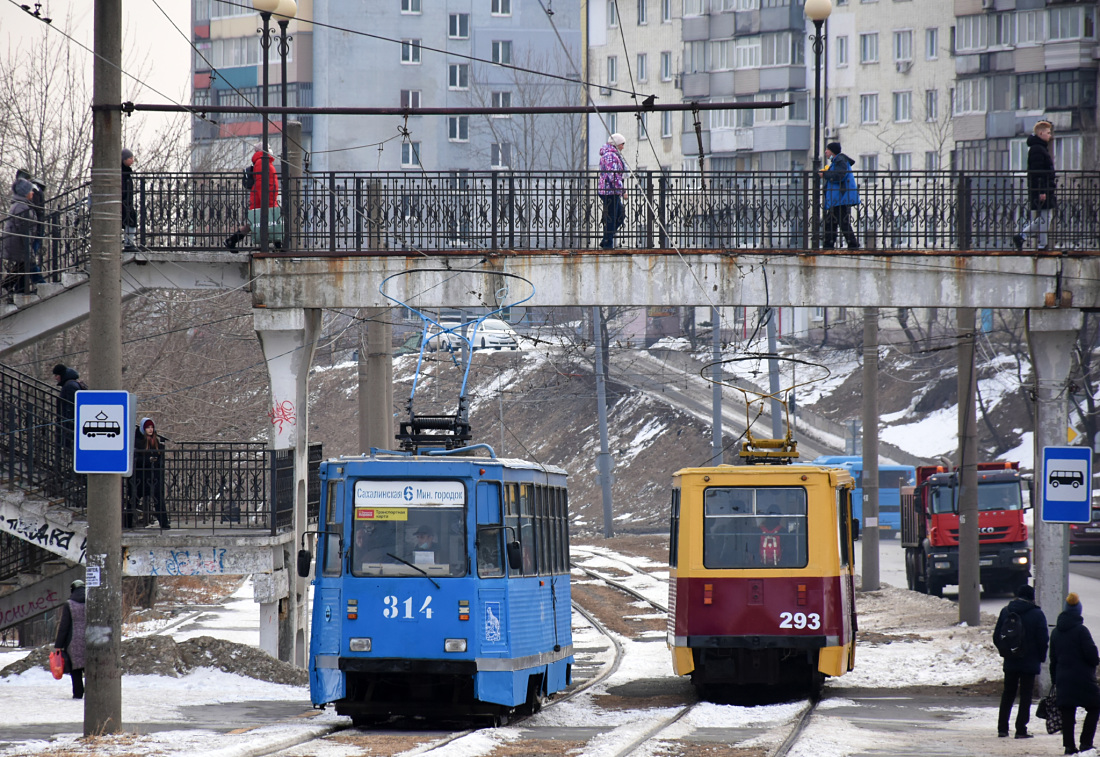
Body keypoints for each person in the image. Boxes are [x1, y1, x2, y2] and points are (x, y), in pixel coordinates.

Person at [993, 583, 1048, 739]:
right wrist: (1041, 657)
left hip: (1011, 660)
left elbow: (997, 636)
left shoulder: (1006, 611)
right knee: (1025, 695)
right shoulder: (1037, 614)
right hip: (1029, 661)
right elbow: (1043, 639)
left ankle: (1002, 728)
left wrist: (1006, 652)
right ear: (1031, 598)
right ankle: (1021, 729)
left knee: (1008, 693)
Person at [1050, 592, 1100, 755]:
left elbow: (1053, 659)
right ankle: (1086, 742)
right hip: (1082, 678)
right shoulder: (1081, 631)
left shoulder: (1056, 632)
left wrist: (1055, 680)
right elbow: (1092, 655)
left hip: (1063, 678)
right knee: (1094, 706)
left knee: (1067, 712)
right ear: (1078, 612)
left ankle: (1069, 746)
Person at [1014, 120, 1056, 252]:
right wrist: (1042, 191)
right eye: (1048, 133)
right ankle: (1042, 245)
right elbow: (1038, 172)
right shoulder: (1037, 149)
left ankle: (1022, 236)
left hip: (1044, 188)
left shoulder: (1039, 148)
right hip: (1042, 189)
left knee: (1045, 218)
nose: (1050, 136)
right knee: (1045, 218)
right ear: (1041, 133)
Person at [130, 417, 169, 529]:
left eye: (152, 427)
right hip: (140, 477)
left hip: (153, 476)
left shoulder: (155, 441)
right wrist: (149, 460)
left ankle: (164, 523)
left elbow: (159, 457)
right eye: (148, 427)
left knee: (158, 499)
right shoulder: (138, 441)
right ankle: (128, 522)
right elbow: (136, 458)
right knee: (134, 499)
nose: (150, 430)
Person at [821, 142, 861, 251]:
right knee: (831, 220)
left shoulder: (840, 160)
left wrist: (825, 174)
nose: (825, 152)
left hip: (841, 197)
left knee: (842, 221)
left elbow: (839, 176)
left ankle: (852, 244)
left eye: (827, 149)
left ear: (832, 151)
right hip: (838, 198)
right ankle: (829, 244)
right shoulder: (837, 161)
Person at [2, 178, 38, 295]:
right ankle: (9, 287)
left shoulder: (22, 205)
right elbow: (23, 229)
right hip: (18, 243)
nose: (32, 193)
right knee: (26, 264)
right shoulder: (21, 207)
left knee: (22, 266)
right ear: (25, 193)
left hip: (17, 242)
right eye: (30, 191)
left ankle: (18, 289)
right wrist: (27, 245)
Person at [54, 579, 87, 699]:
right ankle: (92, 694)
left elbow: (64, 626)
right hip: (91, 640)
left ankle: (78, 694)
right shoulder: (92, 601)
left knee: (76, 670)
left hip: (73, 642)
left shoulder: (69, 604)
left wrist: (58, 645)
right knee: (90, 669)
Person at [597, 133, 628, 250]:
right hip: (609, 191)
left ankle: (606, 239)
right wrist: (622, 191)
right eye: (622, 144)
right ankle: (608, 243)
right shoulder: (610, 156)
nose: (623, 147)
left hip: (610, 190)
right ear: (616, 144)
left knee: (619, 215)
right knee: (613, 216)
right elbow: (613, 176)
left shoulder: (612, 155)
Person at [52, 363, 83, 455]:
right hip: (70, 423)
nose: (55, 378)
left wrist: (68, 422)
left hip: (70, 424)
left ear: (62, 375)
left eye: (57, 375)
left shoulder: (69, 386)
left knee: (70, 451)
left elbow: (71, 406)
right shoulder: (73, 384)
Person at [121, 148, 138, 251]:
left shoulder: (126, 171)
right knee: (130, 218)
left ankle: (129, 242)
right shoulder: (122, 171)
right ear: (124, 159)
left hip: (127, 201)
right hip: (123, 201)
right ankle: (128, 243)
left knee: (130, 218)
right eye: (130, 158)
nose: (132, 160)